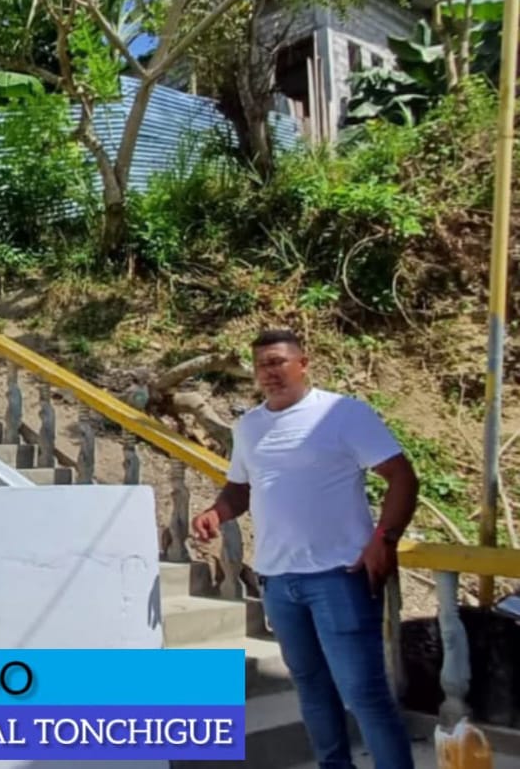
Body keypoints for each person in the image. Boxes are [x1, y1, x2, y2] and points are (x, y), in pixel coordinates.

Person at [191, 329, 419, 769]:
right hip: (278, 581)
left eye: (278, 361)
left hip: (340, 576)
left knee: (364, 694)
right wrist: (217, 512)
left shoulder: (342, 414)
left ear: (303, 363)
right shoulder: (249, 426)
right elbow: (241, 488)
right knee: (312, 691)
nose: (269, 372)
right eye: (261, 365)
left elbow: (402, 477)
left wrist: (384, 539)